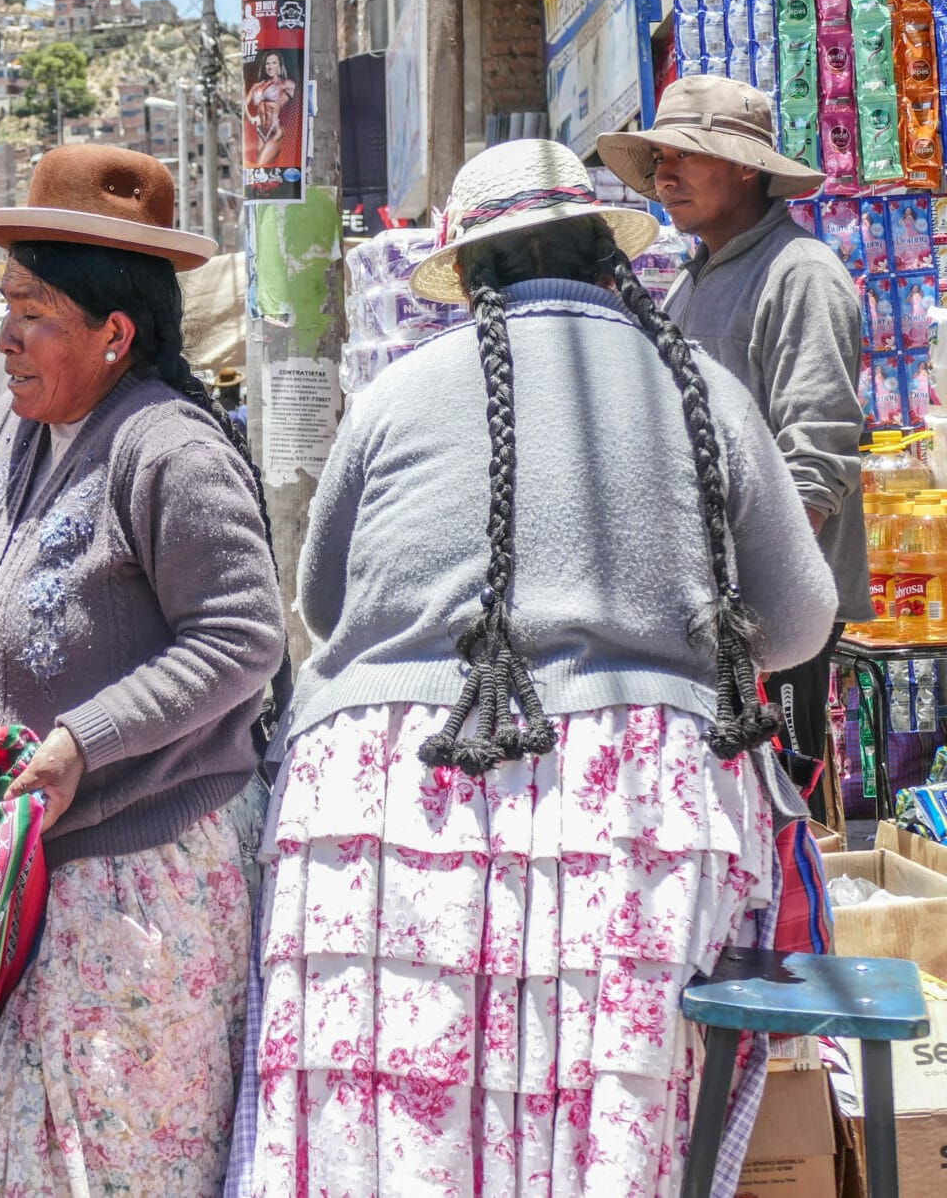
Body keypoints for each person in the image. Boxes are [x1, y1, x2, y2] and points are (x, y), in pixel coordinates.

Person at [225, 141, 836, 1197]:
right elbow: (793, 627)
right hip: (631, 813)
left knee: (382, 1133)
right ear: (609, 261)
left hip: (381, 796)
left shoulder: (393, 395)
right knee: (597, 1131)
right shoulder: (703, 393)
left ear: (463, 276)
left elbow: (322, 608)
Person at [0, 144, 287, 1197]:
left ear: (113, 332)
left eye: (33, 312)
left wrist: (79, 741)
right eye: (5, 304)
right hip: (21, 874)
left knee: (126, 1157)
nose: (5, 335)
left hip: (139, 884)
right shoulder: (24, 433)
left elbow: (240, 634)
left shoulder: (166, 449)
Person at [599, 75, 865, 782]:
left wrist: (763, 607)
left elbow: (818, 458)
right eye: (658, 161)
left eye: (685, 155)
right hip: (709, 609)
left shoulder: (801, 273)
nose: (665, 174)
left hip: (772, 616)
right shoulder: (690, 284)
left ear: (746, 166)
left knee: (785, 804)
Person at [247, 52, 300, 171]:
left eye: (274, 63)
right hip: (261, 131)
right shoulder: (258, 86)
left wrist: (285, 99)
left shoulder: (285, 84)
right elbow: (245, 102)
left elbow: (302, 95)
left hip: (275, 131)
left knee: (260, 166)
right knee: (262, 174)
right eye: (267, 63)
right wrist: (251, 117)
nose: (270, 67)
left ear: (279, 66)